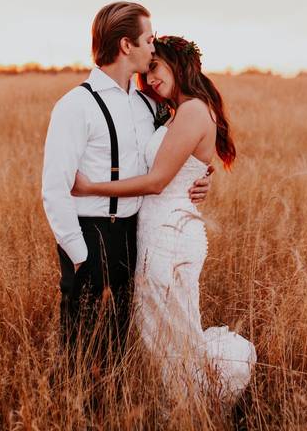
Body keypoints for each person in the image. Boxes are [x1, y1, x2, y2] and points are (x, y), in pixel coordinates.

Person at [71, 34, 256, 405]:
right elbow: (182, 165)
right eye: (146, 72)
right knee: (163, 333)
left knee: (172, 334)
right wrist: (201, 176)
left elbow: (157, 182)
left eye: (154, 67)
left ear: (177, 62)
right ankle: (182, 407)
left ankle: (192, 407)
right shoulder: (180, 110)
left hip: (171, 237)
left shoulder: (192, 111)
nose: (150, 79)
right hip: (161, 231)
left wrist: (91, 187)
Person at [41, 2, 213, 371]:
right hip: (91, 234)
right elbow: (54, 187)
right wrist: (79, 254)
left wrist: (201, 178)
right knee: (79, 349)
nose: (153, 48)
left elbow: (170, 158)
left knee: (117, 345)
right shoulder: (75, 105)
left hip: (136, 236)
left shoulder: (148, 107)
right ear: (125, 45)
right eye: (148, 40)